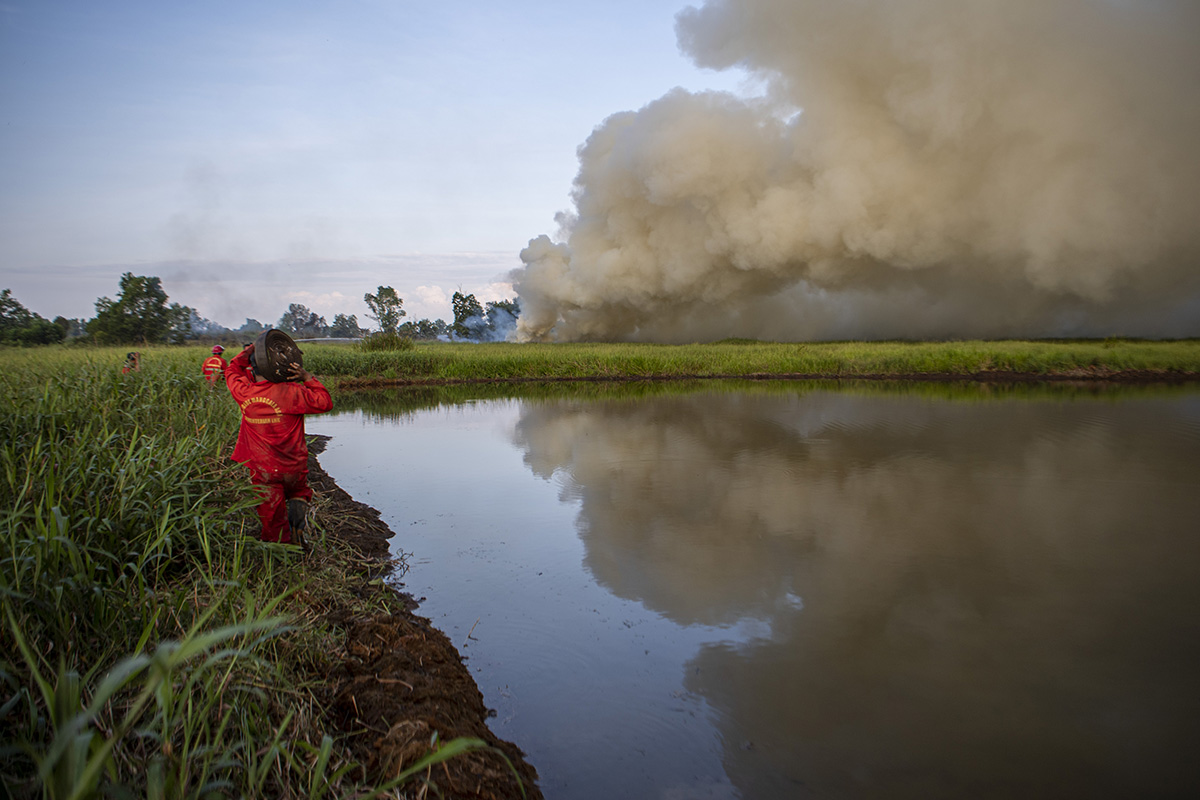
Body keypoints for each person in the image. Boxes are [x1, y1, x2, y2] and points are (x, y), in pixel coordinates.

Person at [224, 343, 332, 544]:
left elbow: (231, 369)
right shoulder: (291, 392)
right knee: (298, 491)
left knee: (272, 517)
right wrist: (307, 378)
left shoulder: (243, 392)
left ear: (253, 368)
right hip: (294, 466)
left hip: (263, 469)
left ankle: (282, 550)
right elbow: (324, 402)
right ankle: (298, 526)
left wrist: (249, 351)